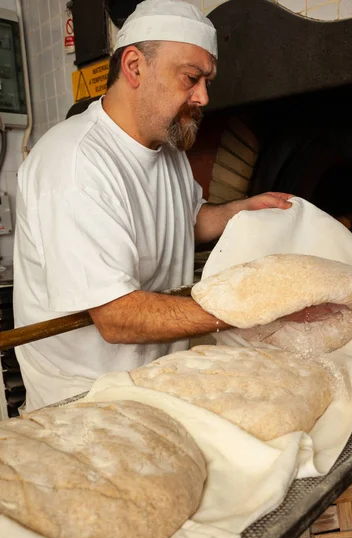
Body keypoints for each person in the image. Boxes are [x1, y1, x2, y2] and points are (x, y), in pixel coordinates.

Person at [13, 0, 295, 411]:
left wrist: (238, 212)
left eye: (206, 81)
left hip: (156, 382)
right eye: (191, 78)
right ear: (134, 67)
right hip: (83, 404)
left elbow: (183, 222)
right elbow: (116, 316)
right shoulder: (74, 164)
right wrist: (252, 309)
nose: (202, 96)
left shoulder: (169, 150)